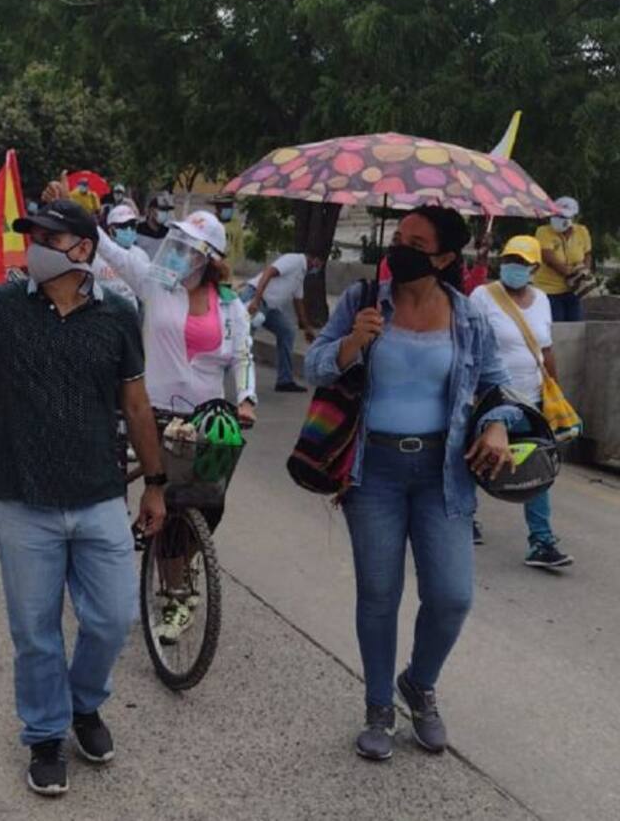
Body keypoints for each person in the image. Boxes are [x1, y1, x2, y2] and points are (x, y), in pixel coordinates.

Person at [0, 199, 166, 797]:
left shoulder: (118, 316)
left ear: (83, 248)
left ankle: (85, 704)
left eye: (47, 235)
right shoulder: (2, 307)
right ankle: (46, 734)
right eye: (31, 234)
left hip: (99, 499)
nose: (34, 244)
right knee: (36, 630)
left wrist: (155, 482)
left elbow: (138, 405)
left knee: (113, 618)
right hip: (23, 503)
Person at [304, 205, 516, 762]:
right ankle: (378, 704)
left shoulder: (468, 317)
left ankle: (418, 684)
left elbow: (497, 385)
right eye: (397, 237)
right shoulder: (363, 301)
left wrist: (495, 425)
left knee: (451, 596)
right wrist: (353, 343)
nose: (398, 249)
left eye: (415, 242)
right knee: (379, 594)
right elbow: (316, 365)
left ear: (445, 257)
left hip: (442, 473)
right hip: (371, 471)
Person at [93, 206, 257, 642]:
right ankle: (174, 594)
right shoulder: (155, 285)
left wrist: (245, 398)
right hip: (155, 413)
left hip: (208, 420)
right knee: (164, 500)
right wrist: (81, 214)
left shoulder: (230, 308)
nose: (179, 253)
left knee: (204, 503)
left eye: (189, 248)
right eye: (177, 244)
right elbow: (109, 249)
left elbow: (242, 357)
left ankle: (183, 563)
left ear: (209, 258)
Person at [469, 236, 574, 568]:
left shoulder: (542, 299)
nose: (513, 266)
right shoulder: (482, 297)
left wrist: (553, 389)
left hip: (531, 398)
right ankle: (463, 518)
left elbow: (545, 349)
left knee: (537, 464)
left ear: (534, 268)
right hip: (489, 399)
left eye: (521, 262)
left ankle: (541, 541)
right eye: (509, 259)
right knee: (475, 459)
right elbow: (468, 345)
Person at [240, 251, 322, 392]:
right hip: (256, 297)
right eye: (320, 263)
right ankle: (230, 376)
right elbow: (269, 272)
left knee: (287, 331)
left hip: (270, 307)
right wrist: (256, 300)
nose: (319, 268)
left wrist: (307, 328)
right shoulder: (294, 260)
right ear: (313, 259)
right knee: (243, 339)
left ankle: (284, 380)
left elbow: (298, 302)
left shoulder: (301, 275)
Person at [533, 196, 593, 322]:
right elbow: (547, 256)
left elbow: (587, 254)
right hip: (549, 290)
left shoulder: (582, 231)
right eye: (556, 215)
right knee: (556, 326)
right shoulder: (543, 231)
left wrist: (584, 271)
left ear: (573, 217)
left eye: (563, 216)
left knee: (575, 326)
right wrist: (570, 272)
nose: (559, 219)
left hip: (574, 290)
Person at [92, 205, 141, 310]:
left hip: (132, 316)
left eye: (132, 225)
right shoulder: (96, 257)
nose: (129, 229)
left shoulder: (141, 256)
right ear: (111, 229)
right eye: (123, 226)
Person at [135, 192, 173, 257]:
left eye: (166, 210)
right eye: (162, 210)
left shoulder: (168, 233)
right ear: (151, 210)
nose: (165, 213)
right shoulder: (137, 230)